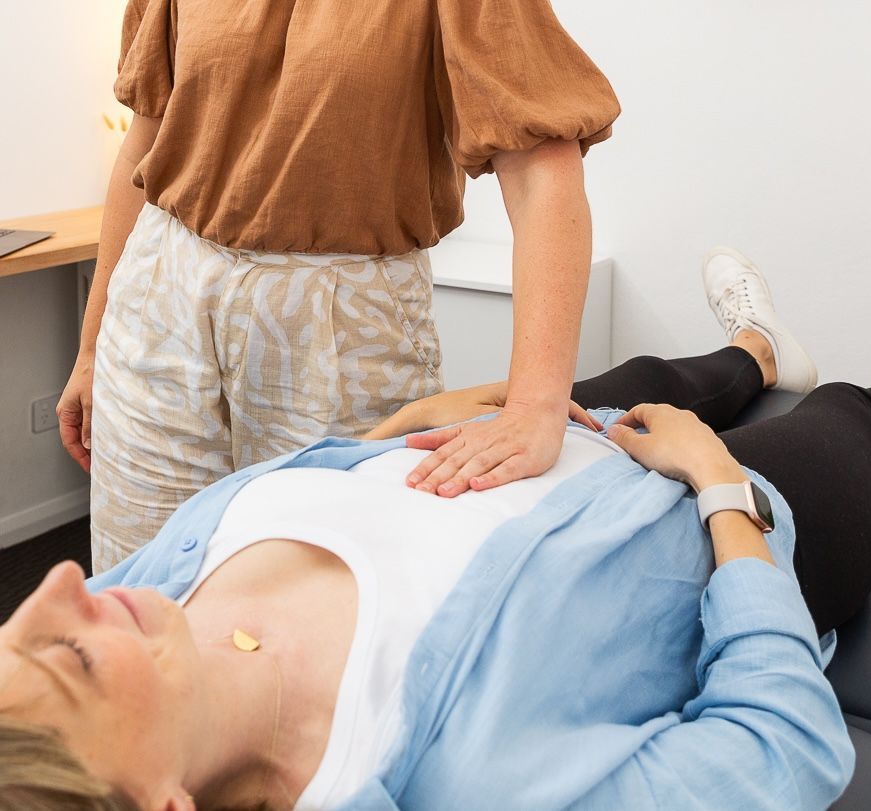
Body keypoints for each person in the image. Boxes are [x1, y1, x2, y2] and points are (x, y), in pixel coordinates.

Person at [5, 247, 871, 810]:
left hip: (504, 445)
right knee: (852, 415)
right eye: (70, 661)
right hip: (711, 518)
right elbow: (784, 747)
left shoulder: (149, 602)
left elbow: (277, 494)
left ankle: (758, 347)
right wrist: (720, 485)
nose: (60, 585)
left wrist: (378, 440)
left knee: (662, 373)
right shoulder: (453, 784)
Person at [56, 0, 621, 572]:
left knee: (316, 590)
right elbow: (145, 141)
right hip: (159, 292)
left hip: (339, 321)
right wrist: (90, 348)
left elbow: (543, 174)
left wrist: (536, 404)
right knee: (141, 581)